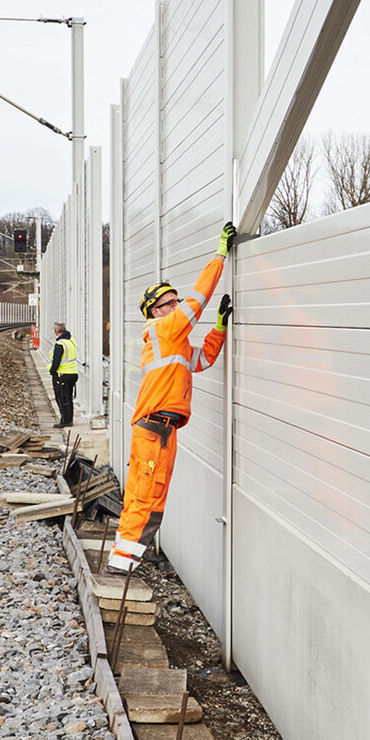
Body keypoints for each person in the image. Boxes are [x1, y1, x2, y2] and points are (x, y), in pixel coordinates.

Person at [107, 224, 235, 578]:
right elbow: (198, 301)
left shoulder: (171, 343)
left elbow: (203, 360)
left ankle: (122, 559)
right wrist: (219, 255)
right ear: (155, 311)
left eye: (176, 301)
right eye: (170, 303)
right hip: (156, 430)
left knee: (138, 496)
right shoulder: (163, 329)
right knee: (148, 500)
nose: (177, 306)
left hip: (155, 430)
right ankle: (122, 569)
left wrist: (220, 329)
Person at [48, 322, 79, 429]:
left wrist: (52, 371)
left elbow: (56, 361)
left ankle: (65, 421)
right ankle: (69, 419)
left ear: (56, 331)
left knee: (61, 397)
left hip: (63, 375)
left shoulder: (59, 344)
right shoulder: (71, 341)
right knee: (68, 397)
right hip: (73, 373)